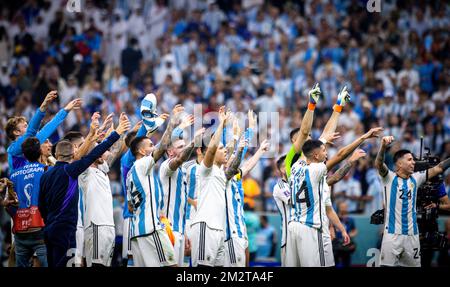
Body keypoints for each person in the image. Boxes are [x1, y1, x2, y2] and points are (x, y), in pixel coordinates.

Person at [38, 113, 130, 267]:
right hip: (68, 227)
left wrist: (98, 132)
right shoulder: (72, 170)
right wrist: (116, 133)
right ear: (74, 152)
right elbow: (93, 153)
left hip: (51, 228)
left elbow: (41, 205)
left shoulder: (45, 175)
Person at [374, 135, 450, 267]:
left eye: (413, 160)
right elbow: (379, 163)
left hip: (412, 236)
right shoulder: (388, 178)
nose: (413, 162)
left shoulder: (417, 178)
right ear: (399, 164)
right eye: (409, 160)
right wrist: (383, 147)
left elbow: (438, 168)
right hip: (392, 235)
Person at [126, 105, 182, 267]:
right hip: (151, 229)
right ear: (142, 152)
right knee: (173, 266)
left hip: (137, 231)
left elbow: (130, 207)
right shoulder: (142, 164)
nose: (153, 147)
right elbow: (162, 147)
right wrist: (172, 123)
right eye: (150, 145)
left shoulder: (131, 172)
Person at [189, 106, 246, 267]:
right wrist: (221, 124)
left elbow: (232, 164)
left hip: (219, 230)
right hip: (205, 226)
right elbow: (214, 147)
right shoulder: (205, 169)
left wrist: (235, 136)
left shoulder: (221, 172)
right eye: (222, 149)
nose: (225, 151)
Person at [78, 113, 129, 267]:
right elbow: (86, 152)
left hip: (109, 227)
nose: (103, 153)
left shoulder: (102, 169)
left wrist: (120, 132)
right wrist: (96, 133)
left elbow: (115, 150)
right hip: (95, 226)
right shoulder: (84, 171)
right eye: (97, 149)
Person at [159, 114, 205, 267]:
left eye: (184, 146)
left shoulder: (183, 171)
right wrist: (191, 139)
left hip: (179, 229)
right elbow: (180, 159)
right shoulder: (167, 167)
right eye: (180, 147)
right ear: (169, 152)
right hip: (167, 228)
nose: (184, 149)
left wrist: (185, 231)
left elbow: (183, 204)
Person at [6, 91, 81, 170]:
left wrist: (65, 110)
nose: (28, 128)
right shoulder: (13, 150)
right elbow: (31, 131)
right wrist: (44, 106)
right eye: (25, 126)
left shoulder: (33, 143)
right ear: (16, 132)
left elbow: (48, 128)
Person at [8, 138, 48, 267]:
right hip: (40, 227)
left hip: (20, 230)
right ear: (40, 152)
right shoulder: (46, 170)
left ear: (24, 155)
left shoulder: (12, 175)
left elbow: (9, 204)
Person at [333, 201, 358, 267]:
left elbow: (354, 230)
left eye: (345, 207)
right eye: (342, 207)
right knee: (335, 262)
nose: (344, 209)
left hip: (346, 245)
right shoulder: (334, 219)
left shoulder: (350, 219)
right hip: (336, 245)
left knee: (346, 262)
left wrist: (350, 235)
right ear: (338, 208)